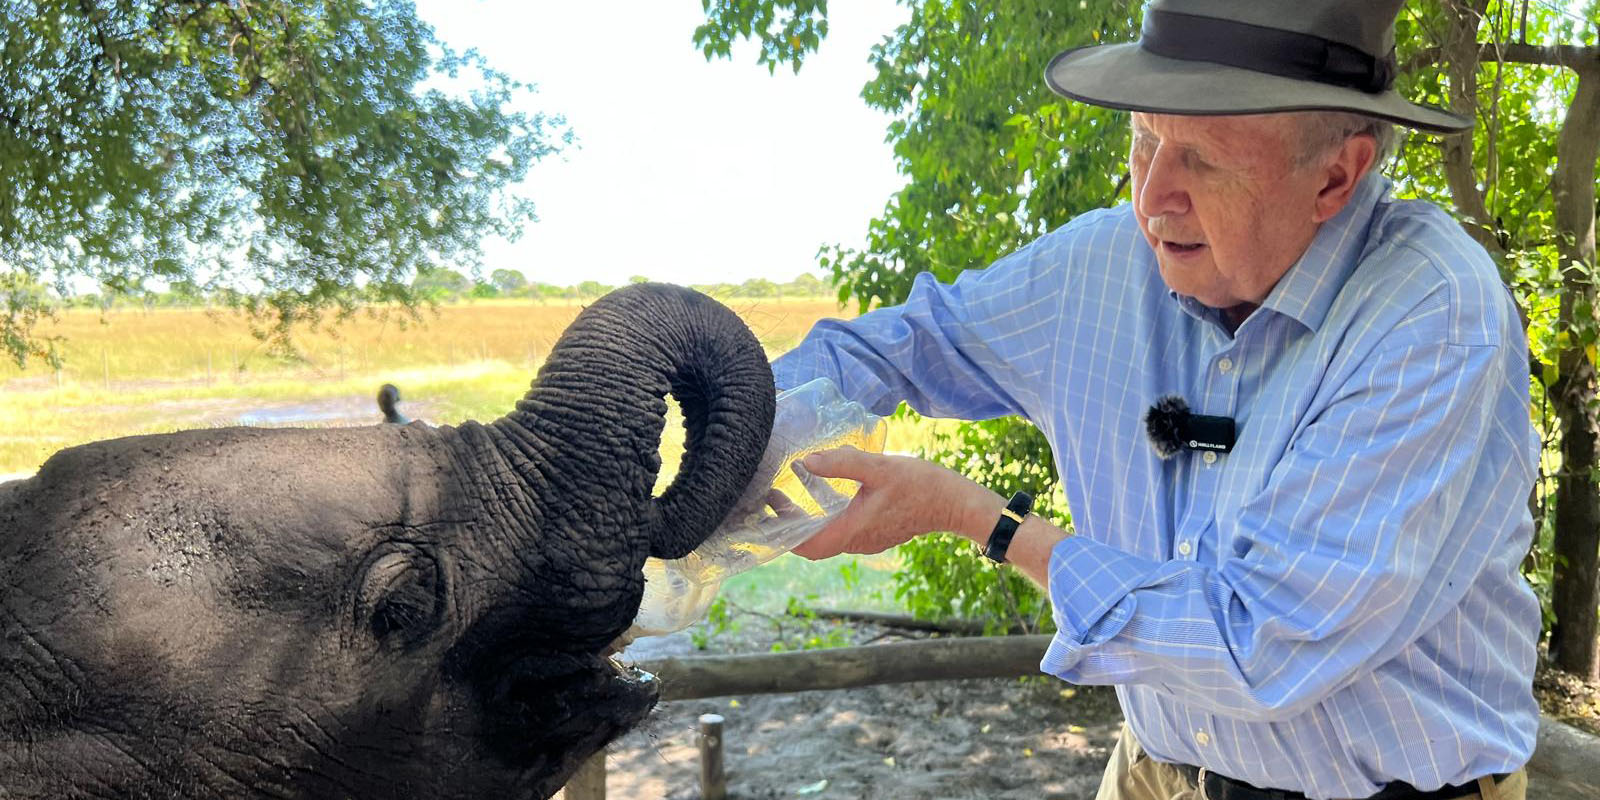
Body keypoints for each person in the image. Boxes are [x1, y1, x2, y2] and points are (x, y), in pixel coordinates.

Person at [771, 1, 1540, 799]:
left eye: (1204, 159)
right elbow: (909, 341)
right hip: (1151, 771)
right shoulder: (1105, 264)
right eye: (1144, 140)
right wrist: (733, 433)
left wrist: (981, 519)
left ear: (1336, 176)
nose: (1152, 197)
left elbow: (1260, 644)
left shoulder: (1429, 310)